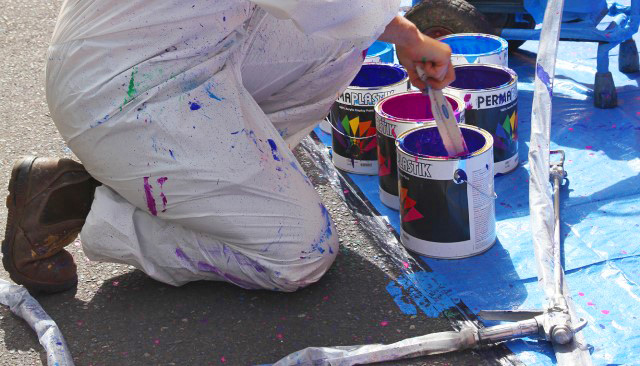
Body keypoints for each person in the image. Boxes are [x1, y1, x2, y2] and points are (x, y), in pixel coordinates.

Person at [2, 0, 455, 294]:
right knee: (301, 255)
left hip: (179, 47)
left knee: (349, 38)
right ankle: (94, 210)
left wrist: (401, 33)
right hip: (123, 90)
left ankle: (216, 185)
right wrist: (412, 37)